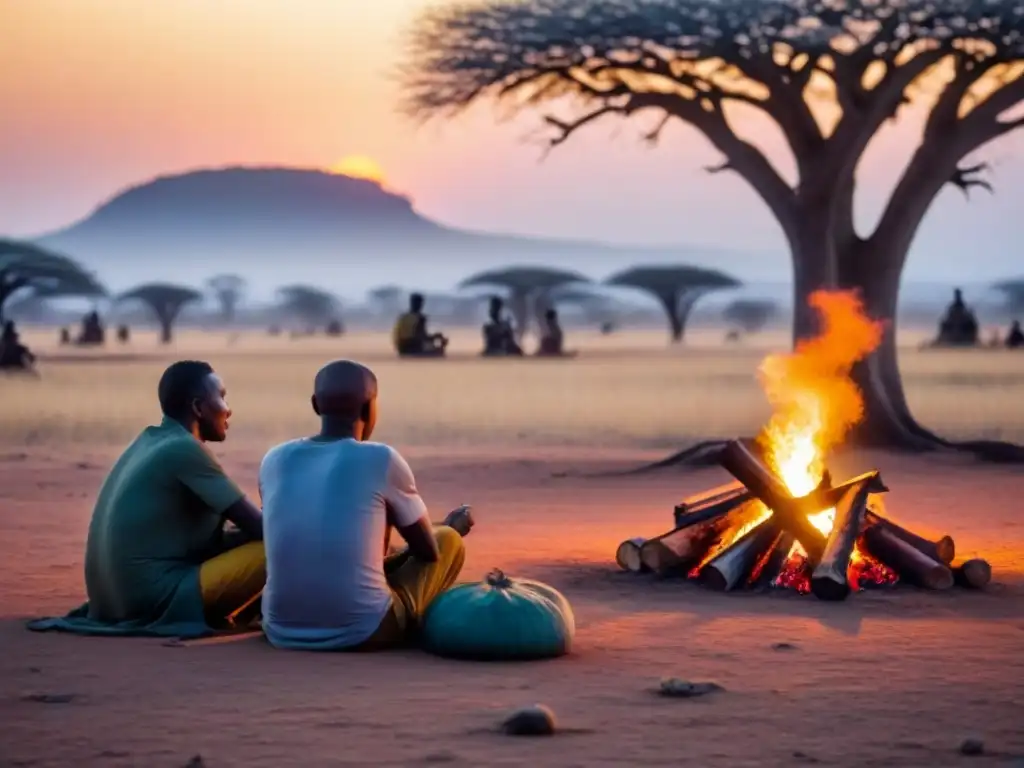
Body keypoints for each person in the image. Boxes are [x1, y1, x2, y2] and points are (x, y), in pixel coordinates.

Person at [27, 361, 266, 638]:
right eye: (222, 397)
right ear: (199, 408)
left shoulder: (149, 441)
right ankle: (284, 617)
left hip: (111, 603)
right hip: (152, 600)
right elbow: (263, 529)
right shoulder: (185, 449)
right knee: (281, 548)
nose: (228, 408)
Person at [260, 359, 467, 651]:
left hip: (280, 628)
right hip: (366, 630)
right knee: (447, 541)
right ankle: (415, 620)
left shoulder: (275, 459)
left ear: (316, 405)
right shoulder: (381, 458)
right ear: (370, 408)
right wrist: (450, 527)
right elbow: (427, 551)